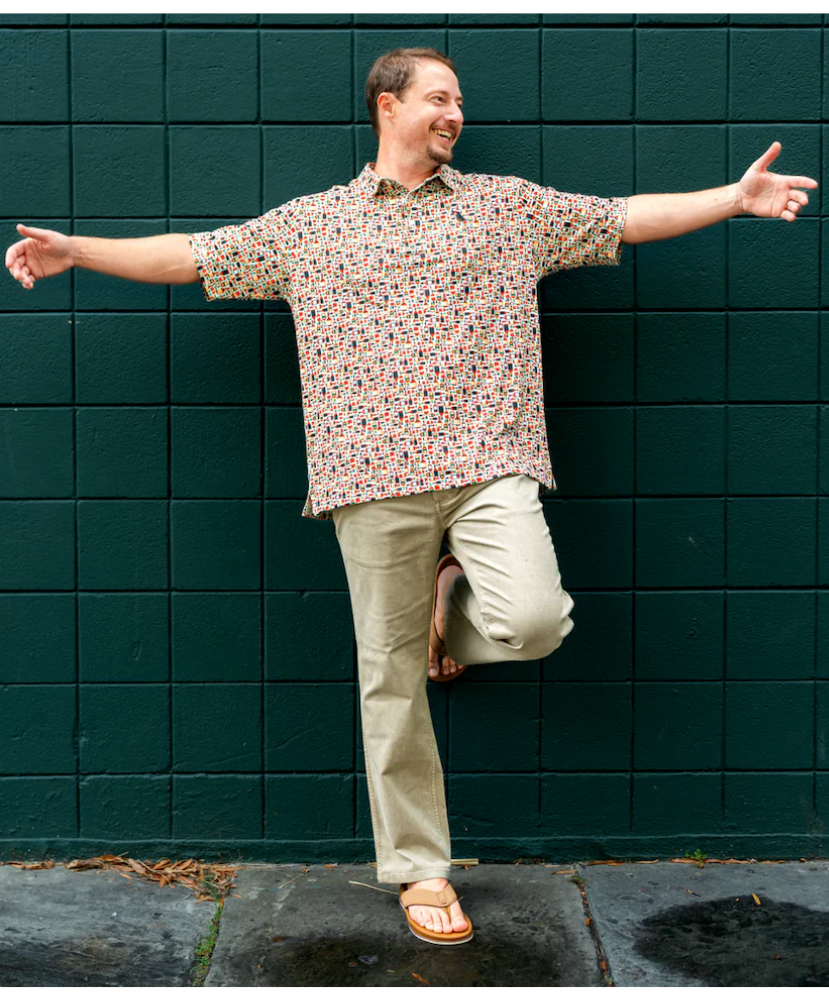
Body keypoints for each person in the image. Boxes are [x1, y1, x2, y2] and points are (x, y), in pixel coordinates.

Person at [5, 47, 817, 947]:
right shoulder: (311, 226)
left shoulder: (505, 208)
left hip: (488, 462)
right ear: (386, 106)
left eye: (459, 101)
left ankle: (450, 604)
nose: (454, 112)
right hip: (368, 476)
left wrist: (730, 199)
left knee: (535, 619)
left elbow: (622, 219)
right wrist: (76, 250)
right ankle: (420, 868)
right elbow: (192, 257)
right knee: (388, 678)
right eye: (438, 98)